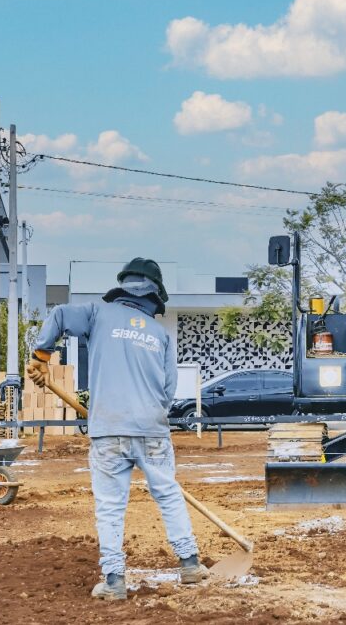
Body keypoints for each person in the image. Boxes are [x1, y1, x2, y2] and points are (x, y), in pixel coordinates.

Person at [27, 257, 208, 600]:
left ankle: (113, 582)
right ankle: (190, 565)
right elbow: (168, 390)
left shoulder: (98, 314)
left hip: (109, 429)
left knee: (110, 506)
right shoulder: (160, 334)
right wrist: (148, 416)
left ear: (123, 288)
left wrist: (41, 358)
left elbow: (60, 316)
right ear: (154, 296)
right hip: (153, 429)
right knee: (168, 495)